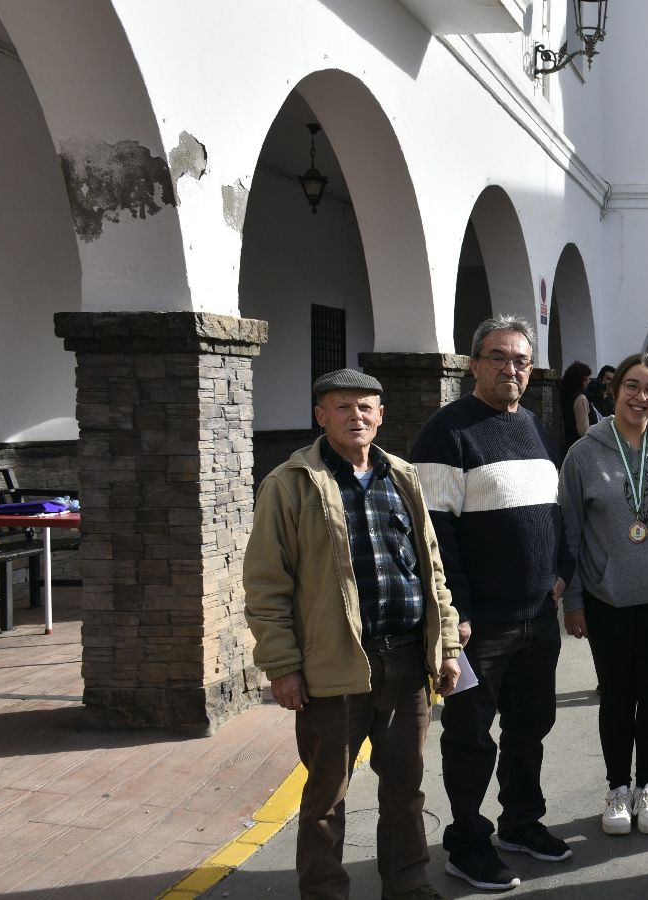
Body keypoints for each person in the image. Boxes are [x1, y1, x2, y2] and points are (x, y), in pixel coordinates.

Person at [244, 369, 462, 900]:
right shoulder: (289, 484)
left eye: (366, 407)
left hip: (407, 660)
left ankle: (408, 886)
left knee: (405, 789)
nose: (357, 416)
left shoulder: (403, 476)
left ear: (381, 415)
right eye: (343, 408)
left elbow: (431, 569)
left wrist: (448, 645)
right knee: (326, 798)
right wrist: (283, 666)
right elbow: (267, 585)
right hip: (334, 665)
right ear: (321, 416)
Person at [410, 317, 577, 891]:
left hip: (536, 616)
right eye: (498, 358)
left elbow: (550, 510)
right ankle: (466, 842)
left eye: (521, 361)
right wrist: (455, 612)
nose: (511, 370)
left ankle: (520, 823)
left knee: (530, 726)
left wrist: (560, 571)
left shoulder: (531, 423)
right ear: (473, 363)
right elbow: (433, 532)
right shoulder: (446, 432)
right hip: (479, 626)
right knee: (470, 737)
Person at [559, 352, 648, 837]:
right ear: (614, 390)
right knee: (617, 694)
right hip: (608, 596)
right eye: (632, 387)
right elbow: (571, 531)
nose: (641, 397)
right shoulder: (584, 453)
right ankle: (619, 787)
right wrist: (573, 599)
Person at [558, 361, 594, 451]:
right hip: (581, 448)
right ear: (581, 379)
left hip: (571, 444)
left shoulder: (567, 395)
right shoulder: (580, 398)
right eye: (587, 379)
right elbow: (584, 431)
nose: (588, 382)